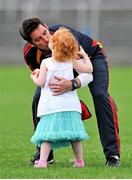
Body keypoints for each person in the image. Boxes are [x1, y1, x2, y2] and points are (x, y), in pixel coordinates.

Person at [19, 17, 120, 167]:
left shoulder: (65, 37)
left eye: (45, 33)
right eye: (38, 39)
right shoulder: (30, 54)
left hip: (91, 59)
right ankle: (44, 155)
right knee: (38, 97)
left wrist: (72, 84)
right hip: (65, 68)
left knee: (100, 94)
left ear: (46, 26)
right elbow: (44, 82)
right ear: (31, 43)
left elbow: (87, 74)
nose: (46, 40)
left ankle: (112, 154)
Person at [30, 27, 93, 168]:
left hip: (51, 107)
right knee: (75, 135)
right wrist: (84, 56)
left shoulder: (46, 63)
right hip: (70, 106)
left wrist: (34, 76)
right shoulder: (71, 61)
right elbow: (89, 70)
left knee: (46, 135)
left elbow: (40, 83)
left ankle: (42, 162)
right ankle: (79, 161)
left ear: (53, 45)